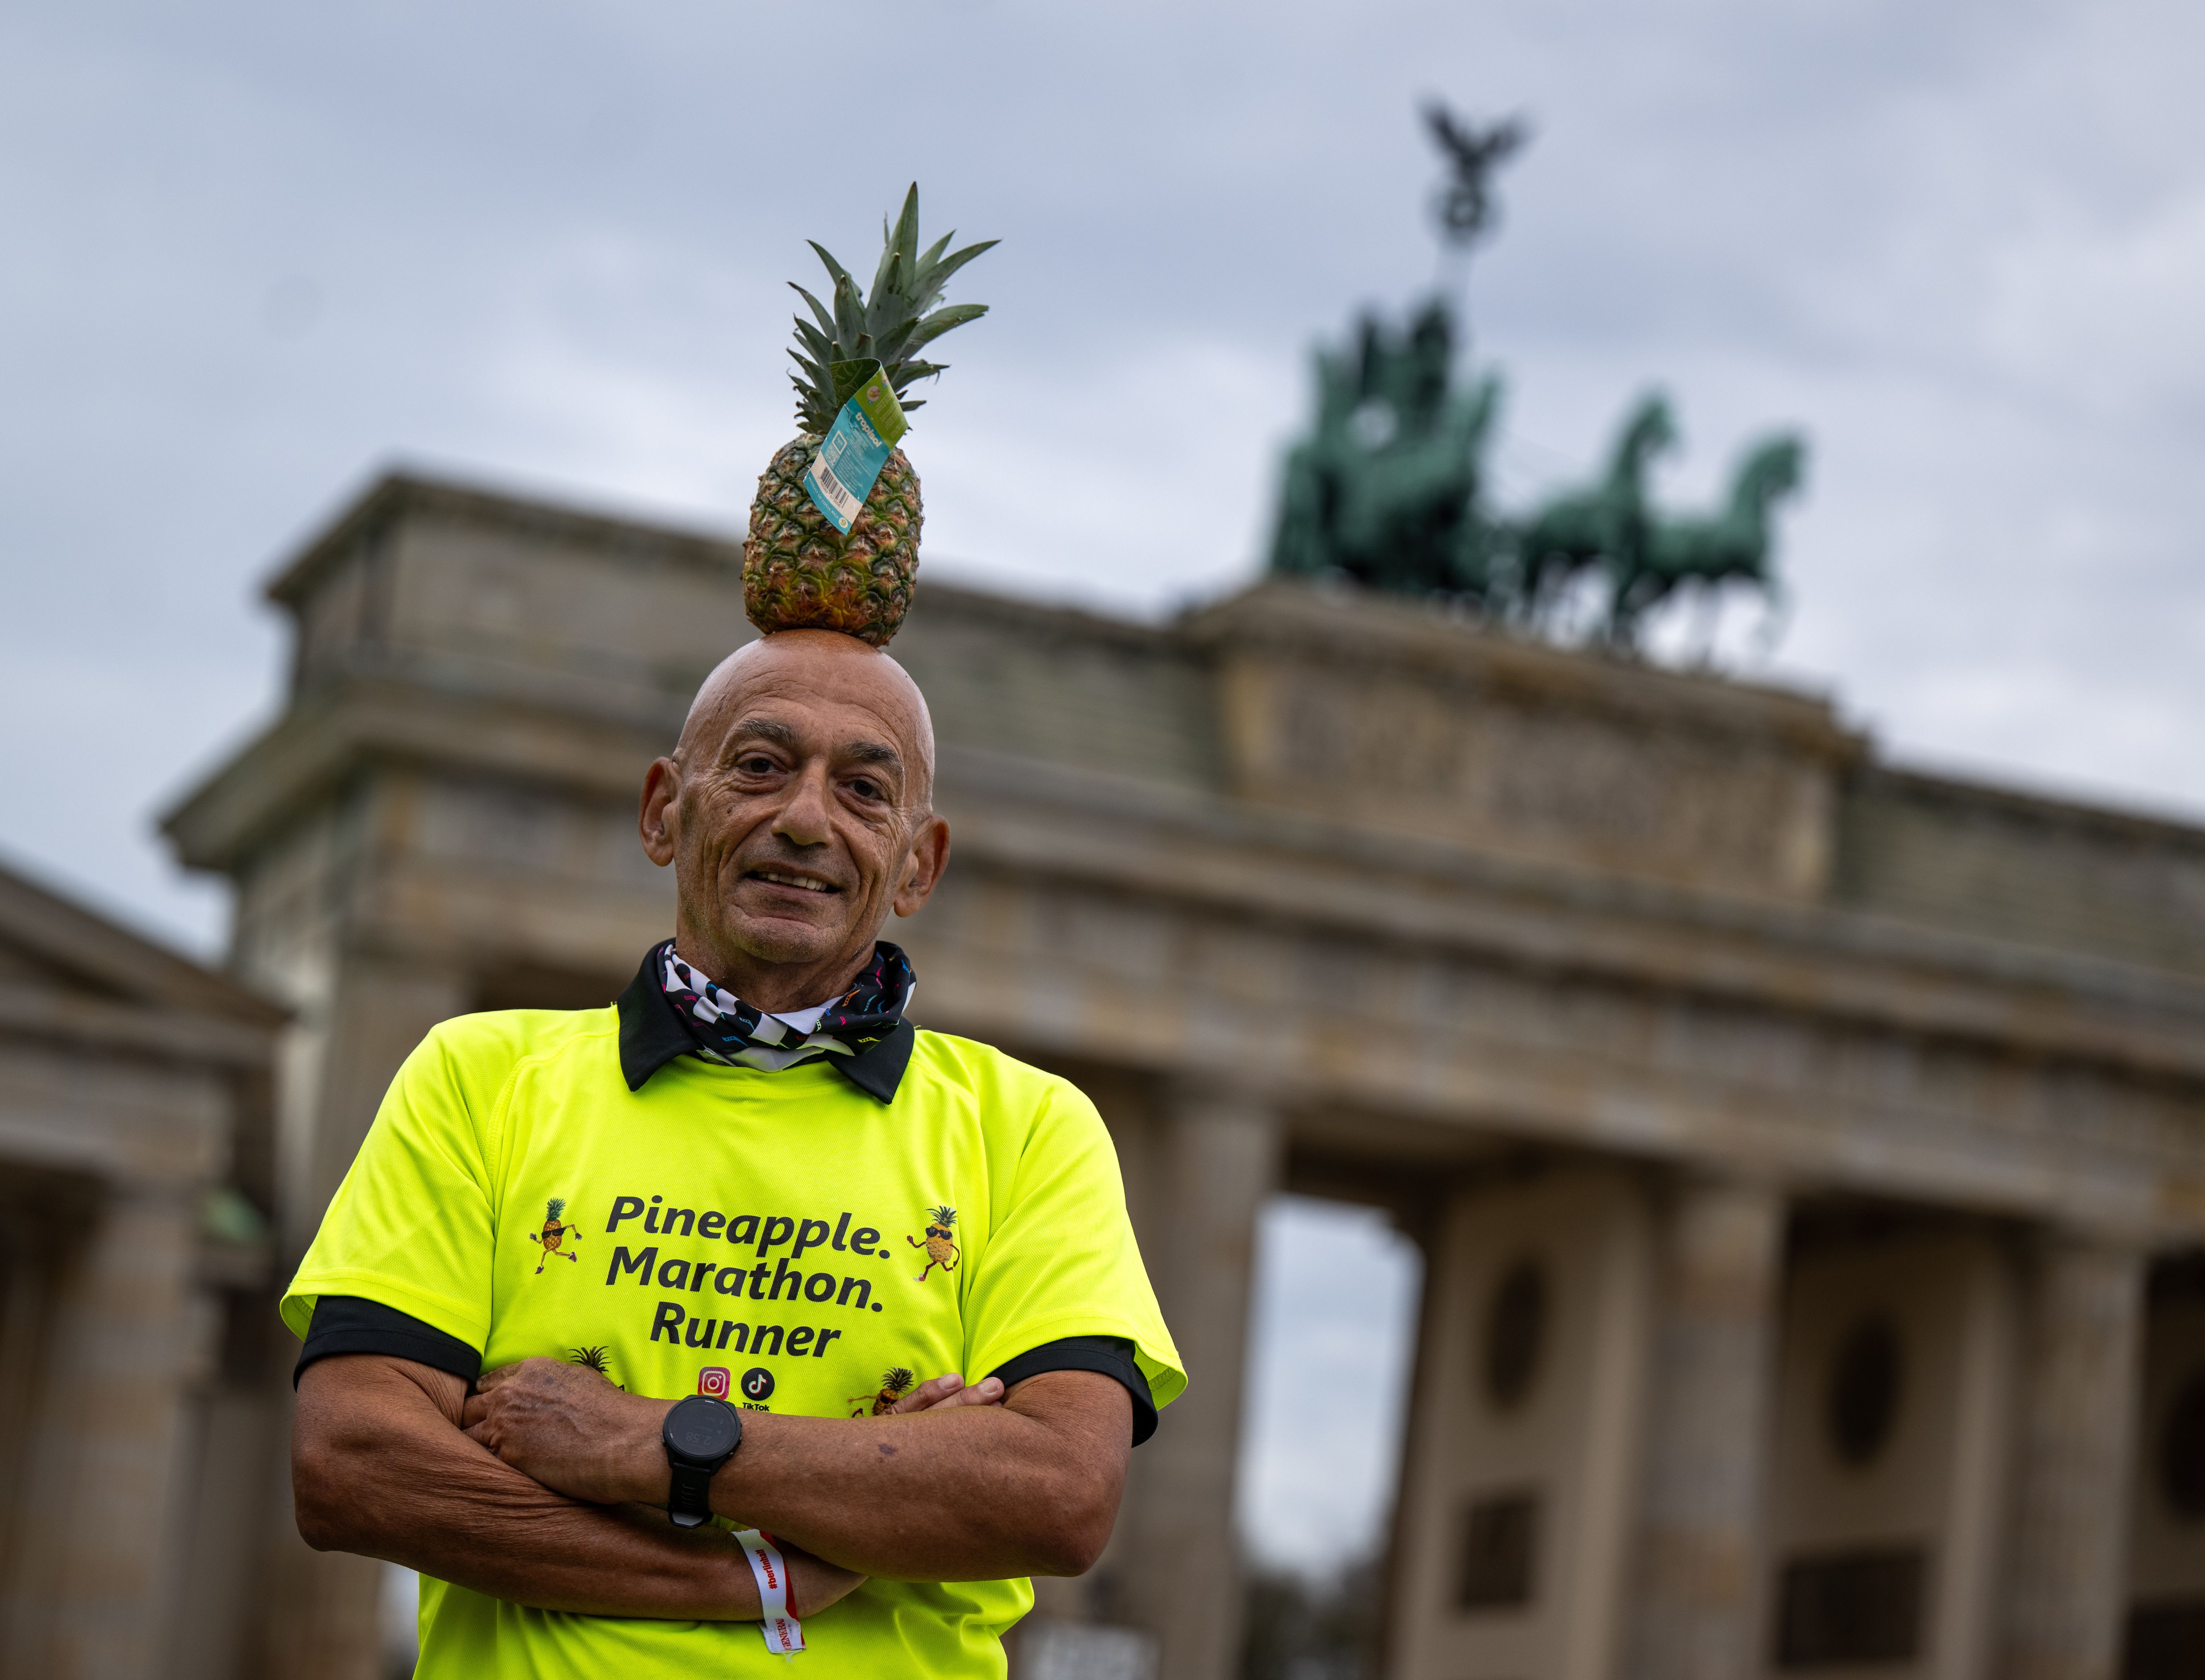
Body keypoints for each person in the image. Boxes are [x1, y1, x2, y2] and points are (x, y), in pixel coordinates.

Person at [285, 628, 1183, 1678]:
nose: (805, 820)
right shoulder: (479, 1078)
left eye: (862, 790)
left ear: (919, 864)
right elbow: (349, 1461)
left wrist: (653, 1443)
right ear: (665, 808)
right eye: (760, 767)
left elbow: (1061, 1493)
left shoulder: (1030, 1128)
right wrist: (747, 1569)